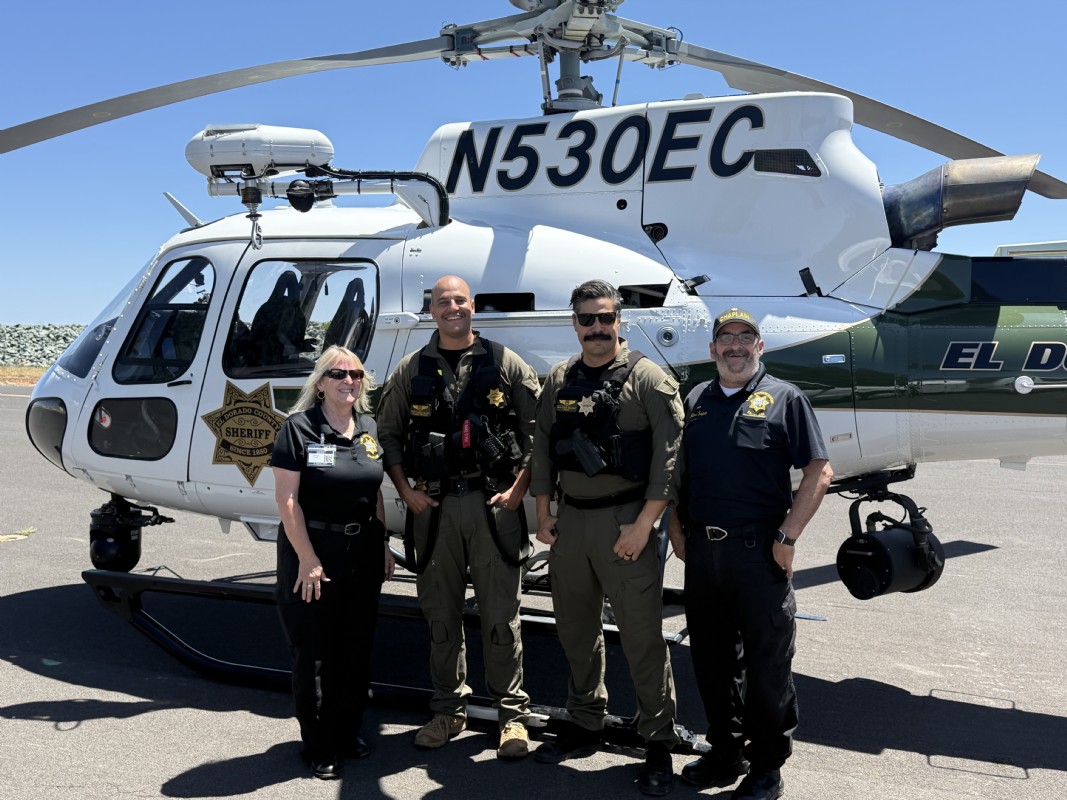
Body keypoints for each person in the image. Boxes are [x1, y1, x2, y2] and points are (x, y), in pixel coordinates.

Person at [667, 308, 833, 800]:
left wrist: (788, 537)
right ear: (713, 348)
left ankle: (766, 768)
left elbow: (819, 471)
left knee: (768, 667)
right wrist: (675, 527)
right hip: (703, 554)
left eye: (746, 337)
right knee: (712, 663)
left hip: (758, 553)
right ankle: (725, 752)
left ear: (759, 347)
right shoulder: (696, 399)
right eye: (726, 337)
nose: (735, 345)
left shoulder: (785, 398)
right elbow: (676, 472)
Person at [376, 275, 541, 759]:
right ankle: (448, 710)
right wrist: (405, 491)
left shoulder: (504, 362)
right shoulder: (412, 368)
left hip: (493, 507)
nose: (453, 308)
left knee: (501, 616)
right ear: (432, 311)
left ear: (473, 306)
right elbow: (387, 434)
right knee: (441, 615)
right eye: (443, 301)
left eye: (460, 300)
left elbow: (538, 431)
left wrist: (518, 489)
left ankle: (512, 715)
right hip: (435, 508)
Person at [530, 279, 683, 797]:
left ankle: (657, 737)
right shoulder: (560, 378)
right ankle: (585, 719)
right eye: (587, 319)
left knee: (641, 636)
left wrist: (644, 526)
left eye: (605, 318)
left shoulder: (649, 380)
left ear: (620, 320)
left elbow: (669, 462)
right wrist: (544, 513)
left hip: (626, 523)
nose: (597, 328)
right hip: (571, 522)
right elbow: (543, 448)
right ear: (574, 323)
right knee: (575, 628)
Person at [271, 345, 395, 780]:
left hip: (363, 550)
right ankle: (319, 744)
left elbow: (373, 493)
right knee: (316, 652)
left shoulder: (368, 427)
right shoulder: (299, 428)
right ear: (321, 382)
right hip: (315, 549)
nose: (349, 381)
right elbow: (287, 500)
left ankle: (347, 730)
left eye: (356, 374)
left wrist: (382, 543)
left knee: (356, 646)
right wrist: (307, 558)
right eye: (338, 374)